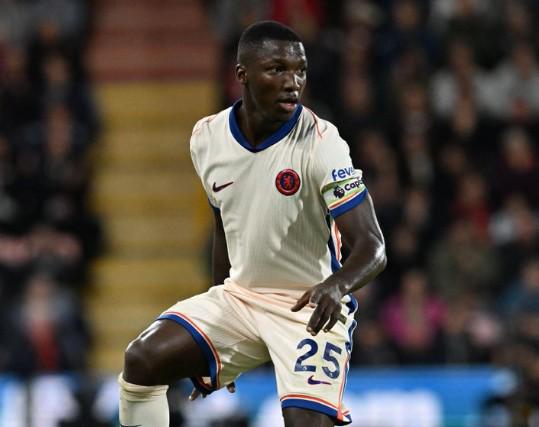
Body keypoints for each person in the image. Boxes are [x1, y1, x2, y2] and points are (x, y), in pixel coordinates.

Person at [119, 21, 386, 427]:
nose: (293, 83)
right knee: (142, 360)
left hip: (309, 311)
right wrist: (215, 332)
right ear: (242, 74)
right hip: (241, 299)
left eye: (300, 71)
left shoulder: (321, 143)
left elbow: (373, 246)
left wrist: (338, 285)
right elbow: (223, 224)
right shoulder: (207, 138)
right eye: (277, 69)